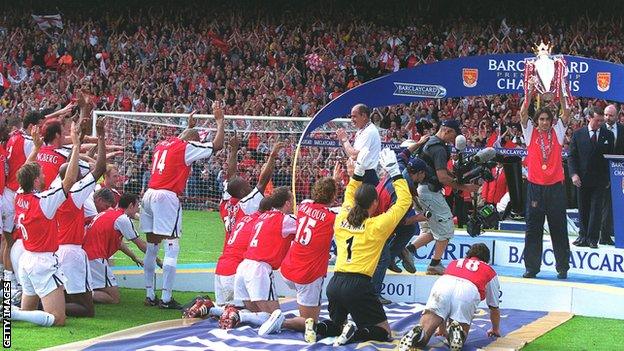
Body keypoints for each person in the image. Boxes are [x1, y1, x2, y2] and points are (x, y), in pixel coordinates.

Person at [305, 148, 411, 346]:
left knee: (336, 325)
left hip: (335, 283)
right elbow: (404, 202)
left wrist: (358, 172)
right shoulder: (377, 226)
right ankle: (354, 333)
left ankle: (316, 327)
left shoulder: (342, 218)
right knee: (383, 332)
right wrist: (395, 172)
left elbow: (349, 194)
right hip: (359, 285)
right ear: (375, 203)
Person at [141, 104, 224, 309]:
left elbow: (183, 137)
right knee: (172, 246)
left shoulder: (162, 144)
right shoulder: (187, 147)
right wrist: (220, 120)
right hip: (167, 196)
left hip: (148, 194)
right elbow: (217, 145)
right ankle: (167, 299)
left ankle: (149, 294)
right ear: (193, 141)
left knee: (152, 246)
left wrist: (189, 127)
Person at [10, 121, 81, 327]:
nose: (43, 175)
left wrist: (37, 148)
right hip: (42, 261)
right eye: (40, 174)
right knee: (58, 319)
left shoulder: (19, 195)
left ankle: (15, 312)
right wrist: (76, 146)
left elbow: (24, 170)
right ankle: (12, 313)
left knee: (28, 310)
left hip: (26, 259)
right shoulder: (44, 202)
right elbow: (68, 181)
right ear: (35, 181)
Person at [258, 175, 338, 337]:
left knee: (310, 317)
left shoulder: (304, 205)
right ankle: (282, 321)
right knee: (310, 323)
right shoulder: (332, 217)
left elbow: (320, 205)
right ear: (333, 196)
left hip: (289, 269)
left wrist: (331, 183)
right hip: (307, 275)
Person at [213, 136, 282, 307]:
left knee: (223, 314)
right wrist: (272, 156)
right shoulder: (247, 204)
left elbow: (230, 177)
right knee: (246, 312)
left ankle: (207, 306)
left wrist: (234, 150)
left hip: (223, 261)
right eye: (247, 184)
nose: (250, 185)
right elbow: (263, 181)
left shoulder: (225, 203)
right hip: (238, 263)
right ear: (244, 190)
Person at [404, 120, 479, 275]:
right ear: (447, 131)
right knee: (446, 228)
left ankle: (408, 250)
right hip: (430, 192)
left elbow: (437, 171)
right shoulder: (438, 149)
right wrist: (465, 187)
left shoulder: (429, 142)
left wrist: (459, 177)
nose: (453, 141)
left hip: (420, 191)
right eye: (453, 137)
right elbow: (442, 178)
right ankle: (434, 264)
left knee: (434, 228)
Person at [398, 243, 501, 351]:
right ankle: (456, 334)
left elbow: (443, 307)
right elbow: (494, 307)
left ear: (468, 255)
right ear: (486, 259)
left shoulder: (455, 263)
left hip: (444, 284)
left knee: (431, 319)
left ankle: (420, 334)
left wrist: (441, 329)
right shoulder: (489, 270)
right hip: (468, 289)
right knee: (460, 334)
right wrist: (495, 329)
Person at [54, 118, 107, 317]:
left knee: (68, 297)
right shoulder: (75, 193)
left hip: (57, 249)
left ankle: (43, 304)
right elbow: (100, 168)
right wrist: (100, 135)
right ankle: (42, 307)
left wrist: (79, 136)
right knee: (87, 308)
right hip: (72, 252)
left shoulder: (53, 189)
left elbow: (71, 160)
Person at [225, 187, 296, 329]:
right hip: (260, 269)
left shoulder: (262, 217)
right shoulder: (285, 220)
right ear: (287, 203)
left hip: (244, 267)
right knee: (275, 318)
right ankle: (239, 315)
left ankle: (214, 309)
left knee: (256, 314)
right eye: (293, 201)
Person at [520, 81, 571, 279]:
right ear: (537, 120)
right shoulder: (530, 132)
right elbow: (523, 114)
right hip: (535, 188)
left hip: (555, 188)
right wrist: (530, 92)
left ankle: (562, 267)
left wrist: (561, 90)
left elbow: (566, 113)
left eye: (547, 119)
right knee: (533, 229)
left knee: (559, 228)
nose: (544, 122)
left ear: (551, 121)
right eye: (541, 119)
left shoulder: (557, 133)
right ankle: (531, 268)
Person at [371, 142, 430, 305]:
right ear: (417, 174)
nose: (424, 178)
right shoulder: (402, 192)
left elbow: (403, 153)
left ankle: (393, 255)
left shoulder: (398, 168)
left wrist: (420, 142)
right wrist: (420, 217)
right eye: (423, 175)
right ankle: (374, 295)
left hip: (378, 215)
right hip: (376, 225)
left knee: (410, 229)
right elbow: (399, 220)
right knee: (381, 259)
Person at [83, 192, 148, 304]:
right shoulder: (122, 219)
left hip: (88, 255)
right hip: (95, 257)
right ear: (131, 206)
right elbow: (140, 244)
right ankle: (78, 296)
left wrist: (134, 257)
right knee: (114, 298)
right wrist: (158, 259)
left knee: (100, 287)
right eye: (137, 206)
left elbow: (119, 244)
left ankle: (80, 293)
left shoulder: (108, 213)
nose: (137, 210)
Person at [569, 107, 613, 249]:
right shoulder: (578, 134)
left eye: (602, 120)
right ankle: (583, 236)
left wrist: (608, 178)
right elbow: (572, 157)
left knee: (596, 209)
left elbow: (610, 159)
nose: (600, 123)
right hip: (581, 179)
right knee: (583, 208)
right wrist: (573, 174)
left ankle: (593, 238)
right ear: (589, 118)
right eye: (597, 120)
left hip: (600, 179)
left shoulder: (608, 135)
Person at [336, 103, 381, 185]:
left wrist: (345, 139)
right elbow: (351, 155)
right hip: (360, 174)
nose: (351, 119)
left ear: (364, 116)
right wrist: (342, 141)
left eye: (354, 116)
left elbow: (355, 155)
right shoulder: (362, 130)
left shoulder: (369, 131)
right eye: (351, 116)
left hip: (367, 176)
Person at [601, 104, 623, 245]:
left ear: (617, 116)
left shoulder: (622, 130)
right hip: (602, 175)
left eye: (611, 115)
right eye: (606, 115)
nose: (608, 118)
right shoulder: (599, 129)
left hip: (620, 174)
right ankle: (604, 235)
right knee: (605, 206)